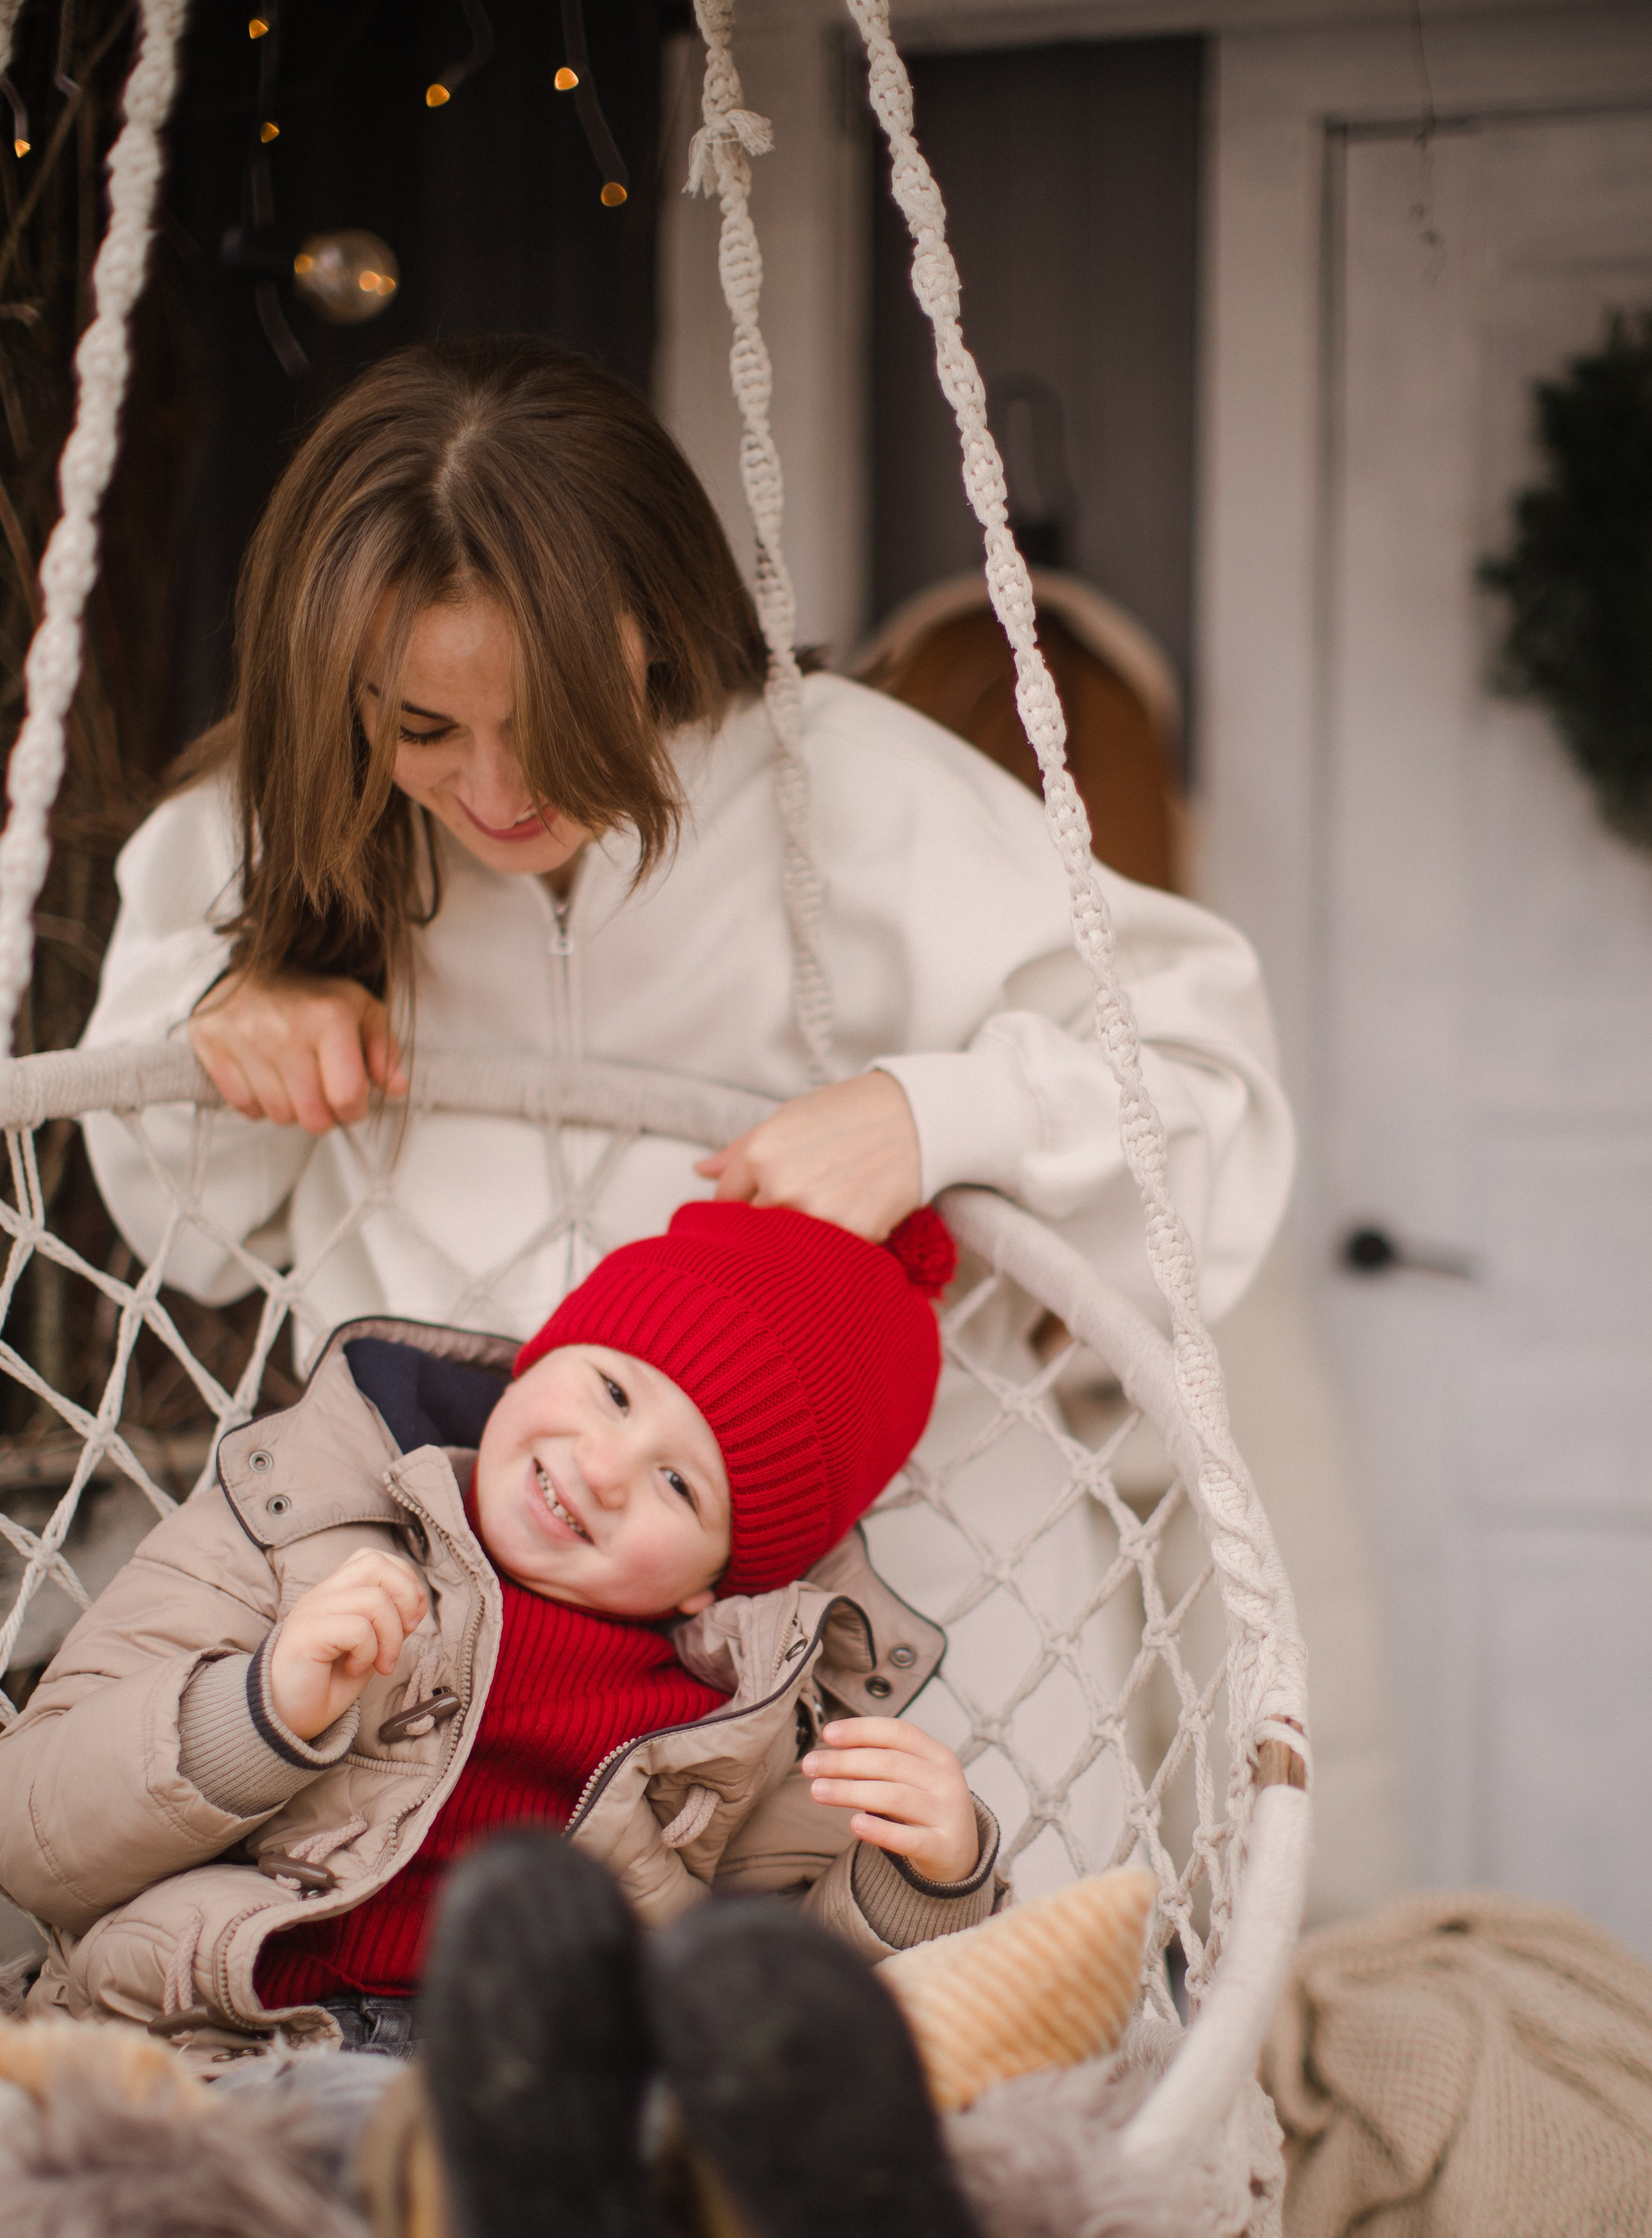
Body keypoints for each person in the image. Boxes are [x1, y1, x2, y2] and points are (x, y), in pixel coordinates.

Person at [78, 335, 1295, 1884]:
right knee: (426, 2088)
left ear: (654, 620)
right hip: (444, 1683)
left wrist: (938, 1114)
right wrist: (232, 1039)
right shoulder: (264, 828)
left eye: (552, 712)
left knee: (935, 2080)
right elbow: (178, 1231)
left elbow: (1204, 1105)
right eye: (420, 727)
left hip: (909, 1637)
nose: (497, 790)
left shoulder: (850, 796)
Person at [0, 1201, 1003, 2052]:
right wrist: (254, 1713)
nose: (603, 1469)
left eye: (678, 1484)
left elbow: (778, 2009)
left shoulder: (738, 1721)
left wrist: (925, 1885)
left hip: (541, 2104)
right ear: (541, 1357)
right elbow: (30, 1834)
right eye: (612, 1391)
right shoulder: (291, 1518)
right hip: (220, 2046)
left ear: (717, 1584)